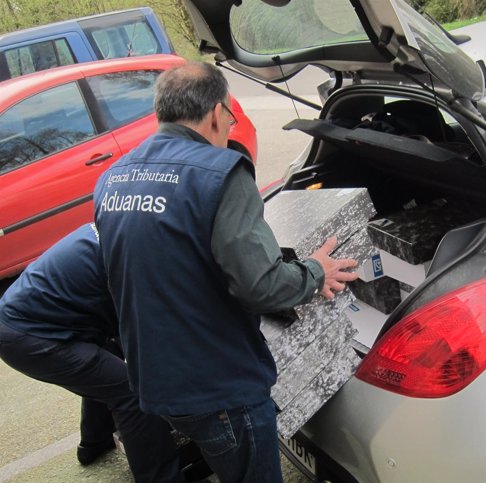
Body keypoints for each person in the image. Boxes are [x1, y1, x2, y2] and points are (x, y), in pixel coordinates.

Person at [93, 61, 358, 483]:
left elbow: (158, 265)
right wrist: (314, 270)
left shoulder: (115, 178)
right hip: (218, 391)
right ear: (217, 113)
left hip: (156, 381)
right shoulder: (219, 175)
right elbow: (262, 286)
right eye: (230, 117)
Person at [0, 223, 184, 483]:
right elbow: (140, 330)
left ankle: (94, 444)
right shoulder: (133, 254)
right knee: (130, 392)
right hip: (30, 336)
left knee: (103, 370)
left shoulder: (117, 228)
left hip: (28, 319)